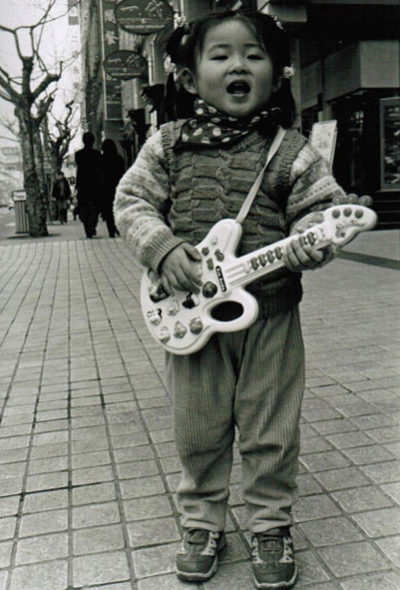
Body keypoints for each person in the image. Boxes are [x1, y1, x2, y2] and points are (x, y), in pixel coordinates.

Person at [114, 10, 363, 589]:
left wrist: (315, 243)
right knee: (197, 427)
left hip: (271, 315)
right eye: (220, 54)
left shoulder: (292, 150)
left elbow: (317, 216)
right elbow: (132, 203)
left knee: (271, 427)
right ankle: (201, 520)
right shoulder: (167, 143)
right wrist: (161, 247)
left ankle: (270, 524)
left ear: (276, 73)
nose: (237, 65)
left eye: (253, 54)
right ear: (191, 73)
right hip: (191, 314)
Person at [75, 132, 102, 238]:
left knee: (84, 207)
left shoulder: (78, 154)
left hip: (82, 184)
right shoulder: (97, 154)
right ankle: (92, 225)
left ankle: (87, 228)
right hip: (95, 183)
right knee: (95, 206)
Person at [99, 139, 125, 237]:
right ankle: (118, 227)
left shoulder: (102, 159)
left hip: (105, 188)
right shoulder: (119, 159)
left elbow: (99, 174)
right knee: (118, 208)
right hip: (117, 186)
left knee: (108, 210)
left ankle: (111, 230)